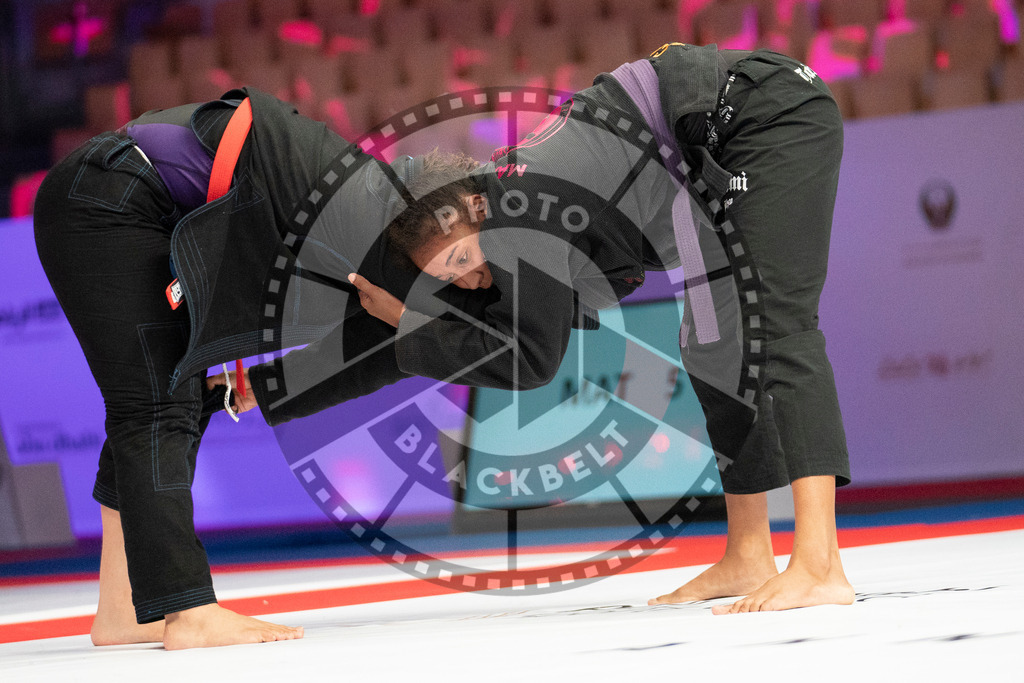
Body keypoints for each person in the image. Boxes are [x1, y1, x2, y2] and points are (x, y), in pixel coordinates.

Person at [348, 42, 856, 613]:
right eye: (451, 279)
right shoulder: (500, 205)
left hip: (767, 111)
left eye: (462, 263)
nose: (468, 283)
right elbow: (491, 327)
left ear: (474, 208)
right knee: (712, 347)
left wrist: (405, 322)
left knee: (772, 323)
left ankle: (819, 564)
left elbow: (529, 360)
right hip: (695, 160)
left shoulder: (514, 211)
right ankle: (748, 553)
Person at [32, 86, 456, 649]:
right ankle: (186, 609)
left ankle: (123, 606)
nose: (461, 281)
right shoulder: (356, 204)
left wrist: (265, 381)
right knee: (158, 404)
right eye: (461, 265)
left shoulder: (372, 218)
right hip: (108, 196)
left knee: (161, 395)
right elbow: (366, 345)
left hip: (117, 196)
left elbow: (373, 352)